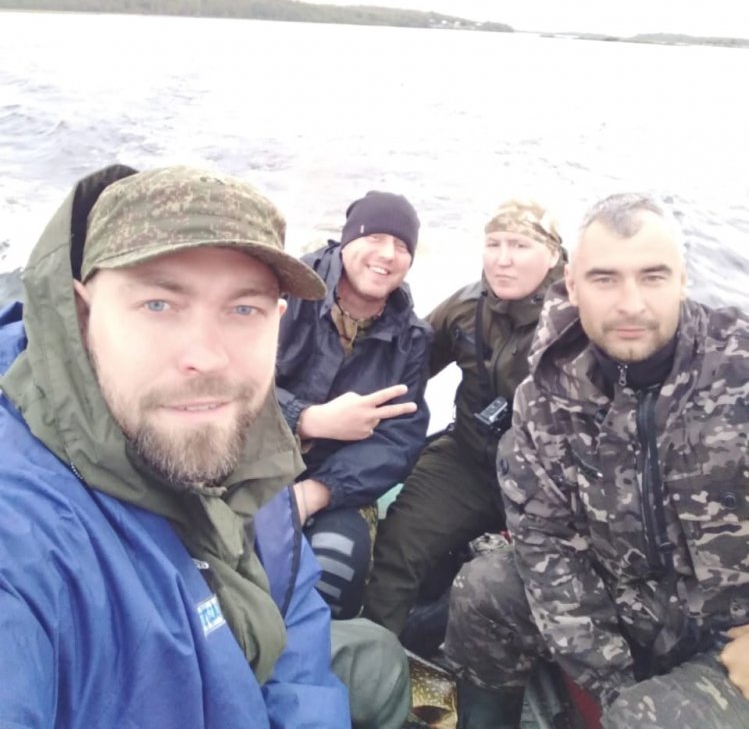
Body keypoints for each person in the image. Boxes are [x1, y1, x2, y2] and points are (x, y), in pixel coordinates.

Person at [0, 164, 410, 729]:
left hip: (236, 663)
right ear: (80, 314)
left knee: (376, 656)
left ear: (277, 320)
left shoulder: (248, 446)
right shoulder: (25, 535)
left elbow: (296, 630)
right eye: (159, 305)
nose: (208, 357)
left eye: (243, 309)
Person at [444, 193, 749, 729]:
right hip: (624, 599)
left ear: (682, 280)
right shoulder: (545, 396)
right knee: (484, 590)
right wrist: (614, 687)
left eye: (652, 277)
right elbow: (545, 544)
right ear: (571, 284)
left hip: (730, 635)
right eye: (605, 279)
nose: (631, 303)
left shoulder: (738, 368)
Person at [363, 199, 564, 643]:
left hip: (550, 488)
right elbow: (404, 370)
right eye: (494, 243)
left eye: (520, 245)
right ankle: (374, 657)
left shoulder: (582, 321)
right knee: (398, 544)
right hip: (470, 460)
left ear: (553, 254)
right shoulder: (467, 306)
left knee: (534, 590)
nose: (503, 258)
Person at [276, 189, 432, 619]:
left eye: (402, 246)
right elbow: (233, 383)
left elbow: (399, 439)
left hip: (340, 486)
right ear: (347, 240)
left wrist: (317, 492)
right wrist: (307, 419)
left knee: (338, 566)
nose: (388, 254)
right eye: (375, 237)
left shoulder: (412, 338)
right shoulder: (287, 290)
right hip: (251, 464)